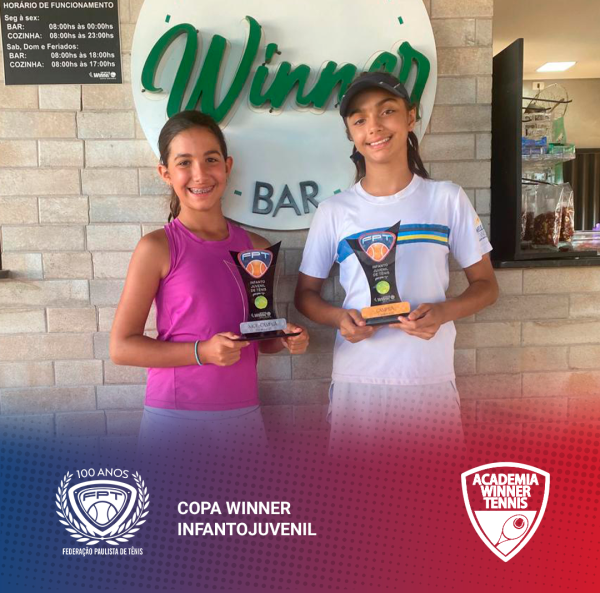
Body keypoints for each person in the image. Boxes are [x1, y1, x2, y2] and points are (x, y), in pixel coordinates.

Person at [294, 72, 498, 454]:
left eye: (386, 111)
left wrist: (443, 312)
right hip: (358, 381)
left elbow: (487, 286)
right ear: (351, 133)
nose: (374, 126)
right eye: (360, 119)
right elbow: (305, 295)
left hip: (428, 379)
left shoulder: (447, 199)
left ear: (411, 117)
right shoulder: (334, 211)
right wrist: (338, 318)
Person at [110, 110, 309, 455]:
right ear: (165, 173)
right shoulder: (157, 247)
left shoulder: (257, 249)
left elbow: (261, 339)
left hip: (243, 415)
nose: (200, 174)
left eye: (211, 159)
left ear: (227, 166)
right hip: (175, 419)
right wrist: (202, 352)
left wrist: (284, 338)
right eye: (184, 162)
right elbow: (121, 348)